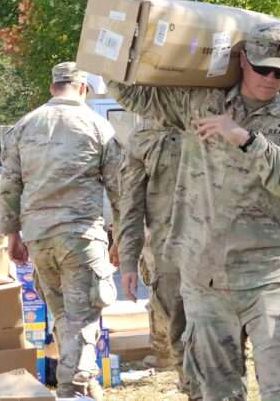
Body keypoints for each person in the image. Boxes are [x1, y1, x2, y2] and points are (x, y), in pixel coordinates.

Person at [108, 22, 280, 401]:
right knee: (217, 391)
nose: (270, 79)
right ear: (243, 60)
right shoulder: (201, 103)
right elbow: (135, 95)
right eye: (263, 68)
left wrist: (246, 139)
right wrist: (128, 29)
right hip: (205, 279)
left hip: (268, 278)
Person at [0, 62, 122, 400]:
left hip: (39, 236)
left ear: (53, 88)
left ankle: (87, 385)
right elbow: (118, 187)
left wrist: (12, 234)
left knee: (65, 315)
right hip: (80, 235)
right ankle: (74, 389)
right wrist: (122, 237)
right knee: (81, 319)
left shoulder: (24, 126)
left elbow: (9, 185)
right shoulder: (97, 125)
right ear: (82, 88)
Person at [117, 119, 196, 397]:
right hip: (171, 254)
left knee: (225, 341)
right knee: (181, 334)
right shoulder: (146, 134)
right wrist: (128, 260)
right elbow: (131, 203)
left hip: (222, 251)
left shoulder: (220, 115)